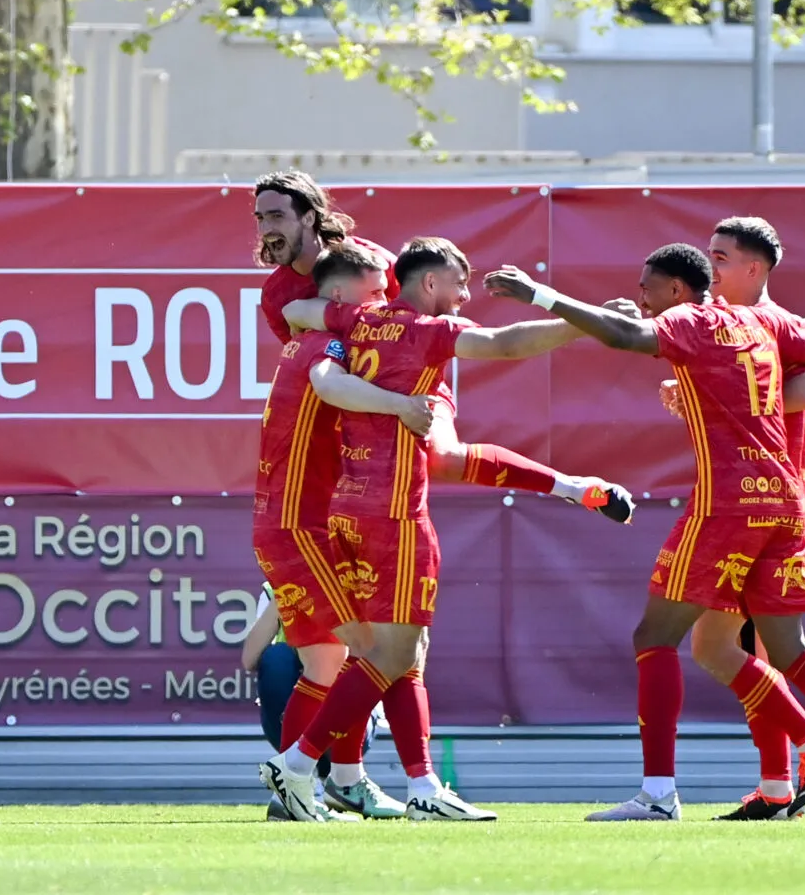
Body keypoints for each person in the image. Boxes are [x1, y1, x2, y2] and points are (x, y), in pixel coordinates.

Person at [485, 243, 805, 823]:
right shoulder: (761, 321)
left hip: (727, 504)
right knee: (785, 649)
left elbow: (625, 338)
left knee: (653, 638)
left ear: (678, 291)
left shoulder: (690, 319)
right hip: (783, 500)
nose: (641, 297)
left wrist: (542, 295)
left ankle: (659, 795)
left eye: (648, 287)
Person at [259, 237, 623, 822]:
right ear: (429, 284)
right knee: (390, 652)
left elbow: (300, 312)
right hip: (396, 512)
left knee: (399, 653)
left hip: (347, 508)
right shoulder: (429, 334)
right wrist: (582, 323)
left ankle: (418, 785)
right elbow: (506, 344)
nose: (464, 295)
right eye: (459, 282)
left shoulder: (356, 319)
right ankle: (300, 764)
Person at [253, 170, 632, 516]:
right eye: (260, 219)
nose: (266, 228)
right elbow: (310, 354)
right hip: (350, 393)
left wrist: (585, 322)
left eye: (276, 215)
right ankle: (294, 580)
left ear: (308, 216)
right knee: (328, 473)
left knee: (444, 459)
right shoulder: (279, 298)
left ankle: (575, 488)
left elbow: (423, 328)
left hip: (409, 384)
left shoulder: (373, 262)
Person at [657, 217, 805, 821]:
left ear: (753, 268)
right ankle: (776, 784)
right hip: (745, 501)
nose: (709, 266)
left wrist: (713, 393)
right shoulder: (721, 325)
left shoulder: (773, 324)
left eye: (720, 256)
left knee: (761, 647)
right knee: (745, 651)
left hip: (772, 502)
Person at [253, 243, 440, 821]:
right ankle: (306, 781)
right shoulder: (328, 342)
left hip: (298, 520)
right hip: (298, 523)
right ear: (338, 295)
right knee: (371, 653)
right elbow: (330, 384)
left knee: (336, 660)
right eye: (376, 290)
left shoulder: (316, 331)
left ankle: (343, 781)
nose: (385, 301)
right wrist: (402, 405)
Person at [240, 583, 383, 820]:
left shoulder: (358, 577)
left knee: (346, 661)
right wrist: (283, 598)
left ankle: (344, 780)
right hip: (290, 714)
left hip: (351, 723)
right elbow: (249, 659)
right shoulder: (277, 587)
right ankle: (296, 781)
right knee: (277, 659)